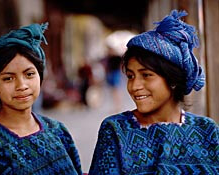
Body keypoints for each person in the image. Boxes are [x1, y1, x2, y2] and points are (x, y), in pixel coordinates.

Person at [89, 10, 218, 174]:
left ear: (172, 79)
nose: (134, 86)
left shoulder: (207, 130)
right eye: (130, 76)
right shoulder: (116, 130)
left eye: (146, 75)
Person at [0, 23, 82, 174]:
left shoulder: (58, 130)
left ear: (40, 78)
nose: (21, 85)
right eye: (8, 78)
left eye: (29, 74)